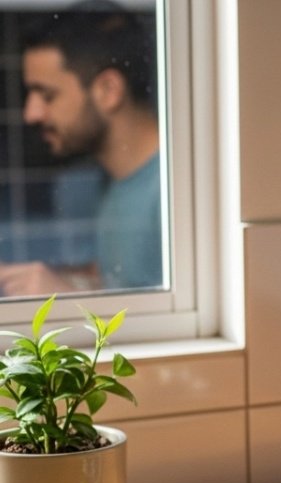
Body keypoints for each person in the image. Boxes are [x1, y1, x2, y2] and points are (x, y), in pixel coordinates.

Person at [0, 1, 163, 297]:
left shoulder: (173, 191)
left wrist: (65, 298)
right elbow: (130, 282)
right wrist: (45, 280)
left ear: (109, 91)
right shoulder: (118, 180)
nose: (31, 113)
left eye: (47, 95)